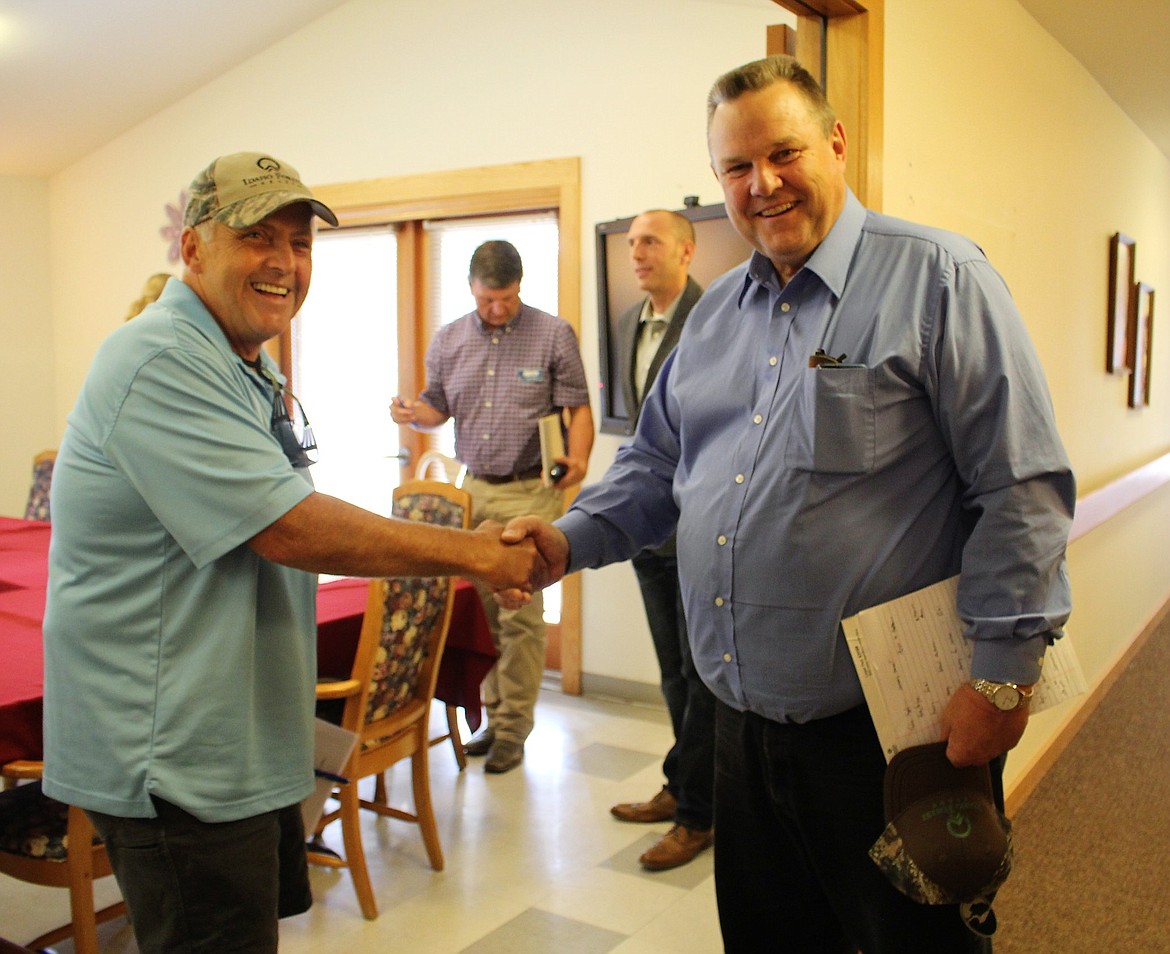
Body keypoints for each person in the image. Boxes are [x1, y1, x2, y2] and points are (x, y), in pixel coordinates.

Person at [503, 55, 1074, 953]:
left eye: (785, 152)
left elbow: (1021, 485)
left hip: (892, 734)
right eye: (736, 167)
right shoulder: (716, 314)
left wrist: (1005, 673)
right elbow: (656, 465)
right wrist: (567, 541)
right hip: (738, 728)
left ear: (835, 145)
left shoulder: (939, 280)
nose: (762, 184)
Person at [41, 151, 539, 954]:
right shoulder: (160, 356)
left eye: (301, 243)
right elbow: (290, 526)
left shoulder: (246, 364)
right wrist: (476, 554)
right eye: (258, 236)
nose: (284, 262)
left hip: (239, 745)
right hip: (172, 761)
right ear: (195, 247)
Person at [390, 239, 593, 774]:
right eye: (486, 301)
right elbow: (436, 409)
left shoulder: (552, 334)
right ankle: (493, 715)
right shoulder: (450, 338)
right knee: (480, 610)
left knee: (521, 612)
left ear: (519, 288)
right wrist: (412, 415)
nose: (496, 310)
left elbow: (579, 409)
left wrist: (579, 460)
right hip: (474, 488)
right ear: (472, 290)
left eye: (505, 299)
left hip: (530, 490)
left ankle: (512, 732)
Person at [608, 209, 717, 871]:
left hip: (699, 531)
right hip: (650, 533)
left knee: (704, 679)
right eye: (630, 245)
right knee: (673, 674)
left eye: (649, 242)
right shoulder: (628, 323)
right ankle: (685, 787)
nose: (637, 254)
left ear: (686, 249)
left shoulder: (715, 318)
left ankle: (700, 814)